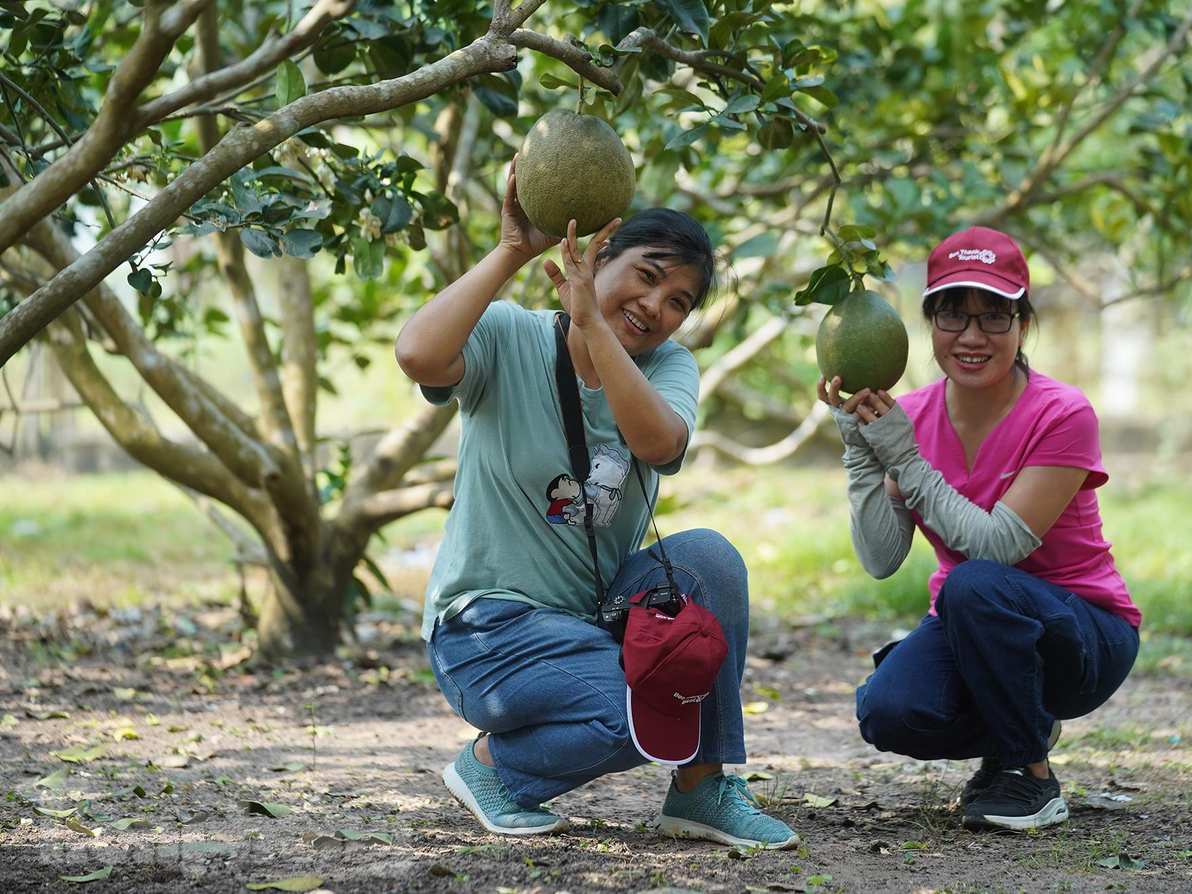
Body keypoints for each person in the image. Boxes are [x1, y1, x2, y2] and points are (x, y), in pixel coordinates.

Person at [394, 157, 798, 849]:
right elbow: (417, 356)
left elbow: (659, 442)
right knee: (638, 714)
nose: (657, 306)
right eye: (647, 275)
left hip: (593, 614)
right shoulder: (509, 334)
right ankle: (491, 768)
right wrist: (513, 250)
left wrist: (598, 329)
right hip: (486, 628)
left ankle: (701, 789)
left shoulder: (668, 367)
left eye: (679, 301)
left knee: (708, 559)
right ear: (598, 255)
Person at [817, 225, 1142, 832]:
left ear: (1023, 325)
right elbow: (881, 559)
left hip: (1082, 634)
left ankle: (1029, 775)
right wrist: (861, 452)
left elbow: (999, 546)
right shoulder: (911, 416)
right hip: (973, 623)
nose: (971, 336)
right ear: (930, 325)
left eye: (994, 317)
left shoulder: (1062, 413)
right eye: (952, 316)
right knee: (888, 710)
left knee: (974, 581)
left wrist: (905, 459)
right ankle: (1020, 722)